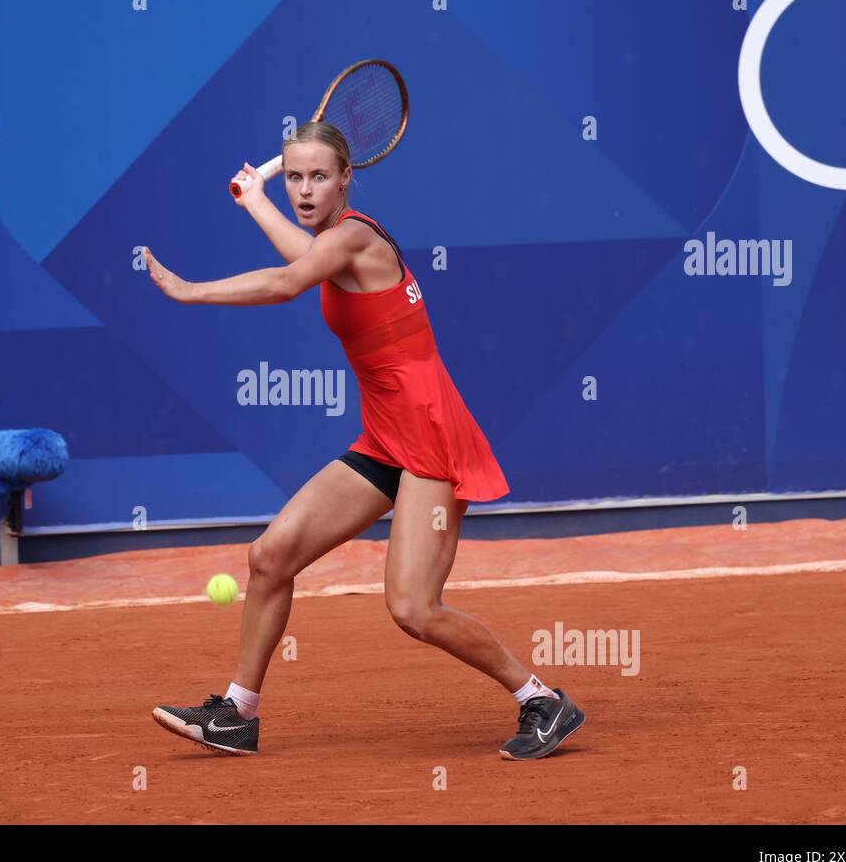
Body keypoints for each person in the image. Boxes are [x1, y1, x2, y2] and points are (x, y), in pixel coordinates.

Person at [143, 122, 584, 760]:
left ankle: (541, 701)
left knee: (412, 608)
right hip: (383, 440)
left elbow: (286, 281)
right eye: (293, 176)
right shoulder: (330, 242)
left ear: (347, 179)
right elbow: (303, 254)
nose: (304, 188)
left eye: (319, 176)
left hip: (430, 436)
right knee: (271, 557)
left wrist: (192, 291)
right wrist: (258, 203)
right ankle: (237, 713)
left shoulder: (354, 237)